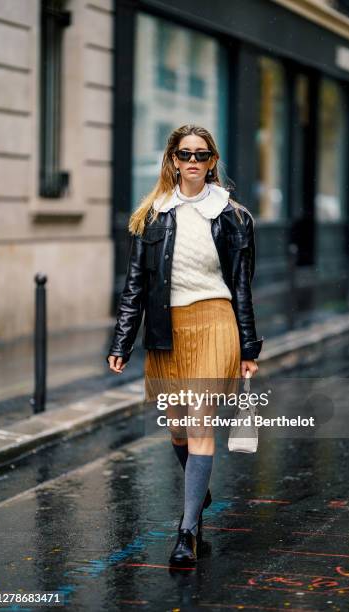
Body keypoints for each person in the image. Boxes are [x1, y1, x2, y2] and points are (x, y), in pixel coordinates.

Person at [106, 124, 263, 566]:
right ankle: (200, 486)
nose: (192, 162)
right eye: (184, 154)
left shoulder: (234, 217)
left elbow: (243, 287)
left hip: (215, 323)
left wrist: (248, 348)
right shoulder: (151, 215)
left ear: (212, 162)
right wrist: (122, 340)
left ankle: (188, 531)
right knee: (177, 428)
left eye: (201, 154)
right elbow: (135, 284)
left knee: (199, 426)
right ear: (173, 160)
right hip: (165, 331)